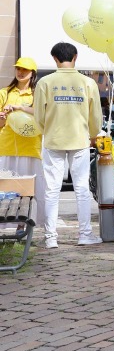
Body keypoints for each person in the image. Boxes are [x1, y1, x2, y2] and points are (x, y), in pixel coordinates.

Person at [34, 43, 103, 249]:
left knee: (52, 189)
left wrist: (46, 131)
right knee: (81, 188)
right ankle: (84, 234)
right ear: (76, 57)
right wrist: (92, 134)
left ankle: (50, 238)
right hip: (80, 139)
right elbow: (96, 116)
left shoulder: (45, 82)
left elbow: (38, 116)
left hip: (53, 139)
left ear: (54, 58)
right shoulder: (88, 82)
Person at [0, 57, 45, 232]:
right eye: (18, 69)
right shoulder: (4, 93)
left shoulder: (37, 94)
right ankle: (5, 224)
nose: (20, 72)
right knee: (6, 190)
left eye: (25, 70)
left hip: (31, 148)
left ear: (32, 73)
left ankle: (24, 226)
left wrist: (18, 108)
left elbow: (42, 113)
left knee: (29, 191)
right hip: (7, 147)